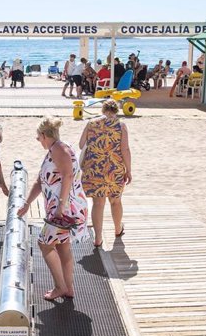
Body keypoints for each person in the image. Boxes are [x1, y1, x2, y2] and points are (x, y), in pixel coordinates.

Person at [17, 117, 88, 301]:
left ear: (43, 135)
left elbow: (67, 176)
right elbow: (40, 182)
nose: (37, 141)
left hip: (66, 209)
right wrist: (27, 203)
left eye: (38, 137)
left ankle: (60, 287)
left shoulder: (59, 149)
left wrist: (60, 207)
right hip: (61, 207)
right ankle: (68, 288)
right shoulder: (53, 150)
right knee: (63, 247)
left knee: (45, 244)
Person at [79, 99, 132, 248]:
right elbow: (125, 150)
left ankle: (98, 238)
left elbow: (81, 144)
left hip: (95, 168)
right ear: (116, 111)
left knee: (98, 203)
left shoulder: (91, 123)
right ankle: (117, 229)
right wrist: (129, 170)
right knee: (115, 201)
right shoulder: (121, 126)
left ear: (103, 110)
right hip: (114, 169)